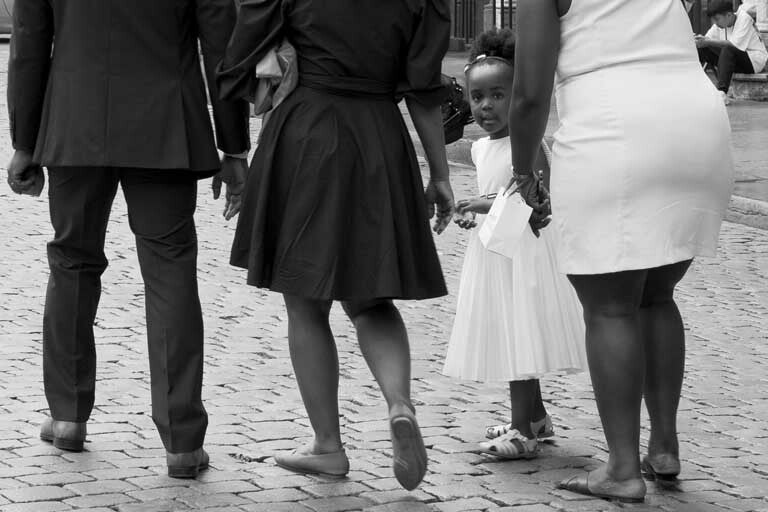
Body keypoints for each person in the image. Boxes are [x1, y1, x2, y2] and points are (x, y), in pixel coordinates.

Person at [216, 0, 455, 491]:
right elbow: (423, 90)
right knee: (372, 300)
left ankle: (328, 445)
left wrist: (235, 145)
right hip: (379, 135)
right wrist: (440, 174)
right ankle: (399, 403)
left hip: (306, 130)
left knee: (306, 303)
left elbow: (239, 58)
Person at [6, 0, 250, 478]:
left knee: (72, 261)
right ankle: (182, 440)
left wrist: (24, 142)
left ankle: (67, 415)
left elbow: (30, 43)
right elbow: (222, 45)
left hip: (75, 119)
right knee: (170, 271)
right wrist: (234, 144)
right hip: (165, 123)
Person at [509, 0, 734, 503]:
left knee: (610, 307)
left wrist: (522, 169)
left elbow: (528, 94)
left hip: (615, 123)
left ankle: (622, 469)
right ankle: (664, 445)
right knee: (656, 294)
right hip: (695, 119)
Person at [442, 28, 587, 461]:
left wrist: (478, 203)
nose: (486, 106)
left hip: (524, 255)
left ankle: (523, 431)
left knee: (517, 337)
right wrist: (475, 214)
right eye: (477, 97)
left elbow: (531, 195)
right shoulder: (480, 147)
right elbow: (495, 196)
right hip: (496, 252)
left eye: (497, 95)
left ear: (517, 95)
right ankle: (535, 417)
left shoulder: (528, 144)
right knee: (511, 335)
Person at [696, 0, 768, 103]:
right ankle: (694, 86)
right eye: (713, 20)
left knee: (727, 48)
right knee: (703, 49)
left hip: (754, 61)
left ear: (729, 15)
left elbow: (733, 45)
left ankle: (722, 93)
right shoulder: (720, 24)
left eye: (717, 19)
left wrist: (707, 41)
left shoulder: (744, 19)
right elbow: (707, 39)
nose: (715, 23)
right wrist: (698, 40)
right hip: (732, 60)